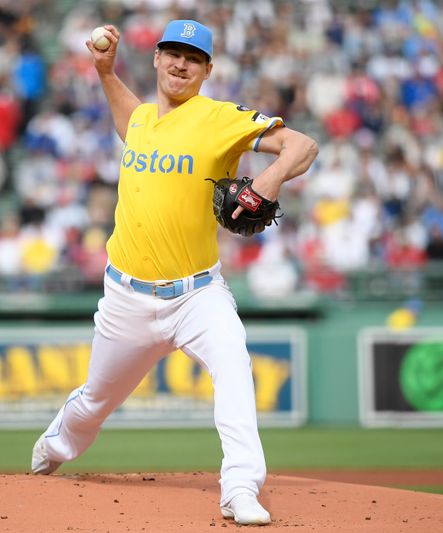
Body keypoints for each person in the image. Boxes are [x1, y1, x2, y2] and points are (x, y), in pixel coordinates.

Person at [30, 20, 318, 526]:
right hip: (126, 298)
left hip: (196, 295)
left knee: (233, 363)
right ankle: (53, 447)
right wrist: (105, 72)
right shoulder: (142, 119)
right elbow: (128, 121)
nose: (180, 63)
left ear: (207, 69)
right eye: (172, 53)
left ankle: (241, 487)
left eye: (192, 57)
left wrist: (267, 181)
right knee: (94, 400)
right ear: (158, 58)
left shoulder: (219, 119)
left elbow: (303, 146)